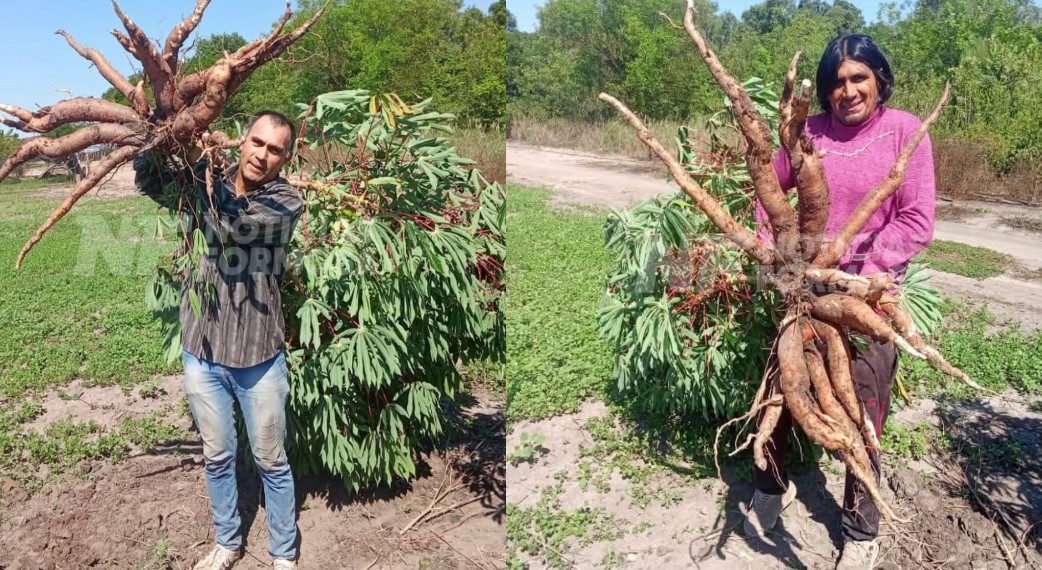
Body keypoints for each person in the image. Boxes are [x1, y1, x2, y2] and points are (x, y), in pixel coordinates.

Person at [745, 34, 935, 570]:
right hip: (804, 290)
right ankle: (768, 488)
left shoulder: (904, 131)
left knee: (862, 410)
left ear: (879, 78)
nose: (847, 91)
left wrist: (861, 272)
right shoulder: (808, 133)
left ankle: (860, 528)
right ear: (825, 89)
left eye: (859, 78)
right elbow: (770, 197)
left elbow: (917, 220)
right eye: (837, 81)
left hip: (867, 296)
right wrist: (772, 248)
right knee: (782, 393)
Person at [134, 111, 305, 570]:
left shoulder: (285, 201)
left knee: (271, 459)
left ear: (284, 157)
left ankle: (284, 553)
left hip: (257, 355)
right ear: (242, 141)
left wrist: (196, 162)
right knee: (217, 455)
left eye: (274, 149)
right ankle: (228, 541)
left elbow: (233, 226)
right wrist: (158, 137)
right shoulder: (210, 174)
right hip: (203, 349)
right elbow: (152, 185)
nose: (262, 154)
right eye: (256, 142)